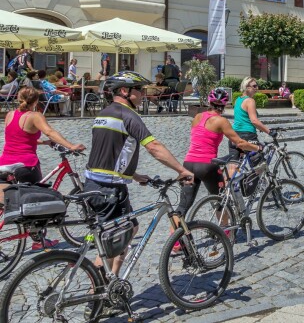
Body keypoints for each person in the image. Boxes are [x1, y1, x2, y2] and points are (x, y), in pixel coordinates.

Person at [83, 71, 194, 275]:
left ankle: (113, 281)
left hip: (93, 183)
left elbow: (109, 152)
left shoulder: (104, 113)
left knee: (130, 228)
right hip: (109, 189)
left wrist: (133, 174)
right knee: (112, 239)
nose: (143, 94)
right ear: (125, 91)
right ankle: (97, 291)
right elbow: (153, 147)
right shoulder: (128, 115)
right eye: (139, 90)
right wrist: (181, 169)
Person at [0, 87, 85, 249]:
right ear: (37, 101)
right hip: (25, 164)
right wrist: (71, 146)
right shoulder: (35, 116)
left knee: (17, 200)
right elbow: (50, 132)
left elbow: (19, 138)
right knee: (36, 202)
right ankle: (39, 241)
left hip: (4, 163)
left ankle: (36, 238)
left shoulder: (10, 115)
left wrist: (43, 143)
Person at [176, 88, 262, 233]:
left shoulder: (198, 116)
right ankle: (225, 234)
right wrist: (257, 148)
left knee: (183, 206)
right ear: (225, 104)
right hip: (207, 165)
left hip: (188, 164)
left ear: (209, 102)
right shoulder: (222, 121)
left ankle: (176, 243)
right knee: (220, 201)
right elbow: (239, 143)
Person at [232, 77, 273, 176]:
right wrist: (270, 132)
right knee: (259, 165)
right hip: (247, 136)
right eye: (254, 86)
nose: (256, 88)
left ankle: (229, 189)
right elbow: (254, 120)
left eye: (256, 86)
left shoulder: (238, 100)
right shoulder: (250, 101)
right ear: (246, 87)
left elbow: (242, 117)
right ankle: (255, 188)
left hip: (234, 135)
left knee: (234, 166)